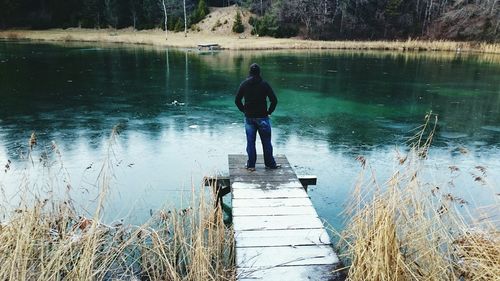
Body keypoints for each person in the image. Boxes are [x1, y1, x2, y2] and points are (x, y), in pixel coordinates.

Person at [235, 63, 281, 171]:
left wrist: (244, 110)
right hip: (263, 118)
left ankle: (251, 165)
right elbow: (274, 100)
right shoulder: (264, 84)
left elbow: (237, 101)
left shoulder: (244, 84)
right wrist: (269, 112)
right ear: (259, 72)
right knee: (266, 142)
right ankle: (270, 164)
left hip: (249, 118)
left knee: (250, 142)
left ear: (250, 72)